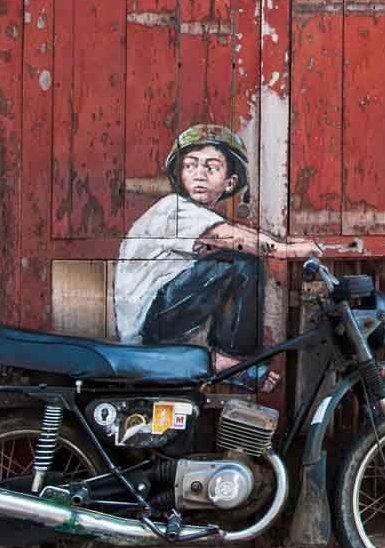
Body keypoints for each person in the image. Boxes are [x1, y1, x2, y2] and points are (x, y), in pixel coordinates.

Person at [113, 124, 320, 388]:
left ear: (230, 182)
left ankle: (226, 357)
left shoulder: (201, 218)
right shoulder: (173, 209)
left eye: (211, 168)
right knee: (241, 260)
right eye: (190, 166)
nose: (199, 174)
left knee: (234, 258)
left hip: (158, 321)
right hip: (145, 325)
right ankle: (229, 358)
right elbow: (234, 238)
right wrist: (287, 250)